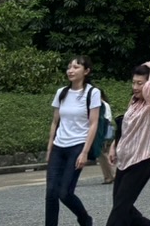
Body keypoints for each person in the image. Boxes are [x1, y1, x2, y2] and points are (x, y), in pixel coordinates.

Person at [105, 61, 150, 226]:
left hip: (143, 158)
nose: (135, 87)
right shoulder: (134, 101)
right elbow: (126, 128)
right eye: (134, 82)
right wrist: (115, 146)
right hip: (125, 158)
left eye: (140, 83)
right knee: (123, 207)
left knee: (119, 212)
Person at [46, 55, 101, 226]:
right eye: (69, 67)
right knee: (51, 193)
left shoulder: (92, 93)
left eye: (76, 67)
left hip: (77, 146)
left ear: (86, 71)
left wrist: (85, 152)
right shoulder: (61, 92)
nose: (71, 70)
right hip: (58, 146)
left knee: (65, 193)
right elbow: (55, 122)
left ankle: (85, 219)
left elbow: (93, 124)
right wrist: (49, 149)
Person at [97, 90, 116, 185]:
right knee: (106, 154)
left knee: (102, 154)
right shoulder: (101, 105)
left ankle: (108, 176)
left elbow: (106, 119)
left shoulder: (103, 105)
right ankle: (111, 175)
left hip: (103, 132)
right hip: (103, 132)